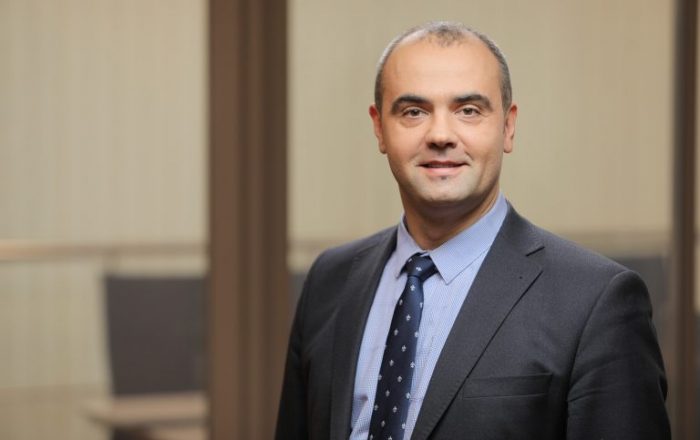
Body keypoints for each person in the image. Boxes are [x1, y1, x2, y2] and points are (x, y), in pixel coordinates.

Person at [276, 21, 670, 440]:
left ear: (508, 126)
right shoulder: (330, 281)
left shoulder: (595, 302)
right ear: (379, 128)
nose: (440, 135)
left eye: (468, 110)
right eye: (414, 112)